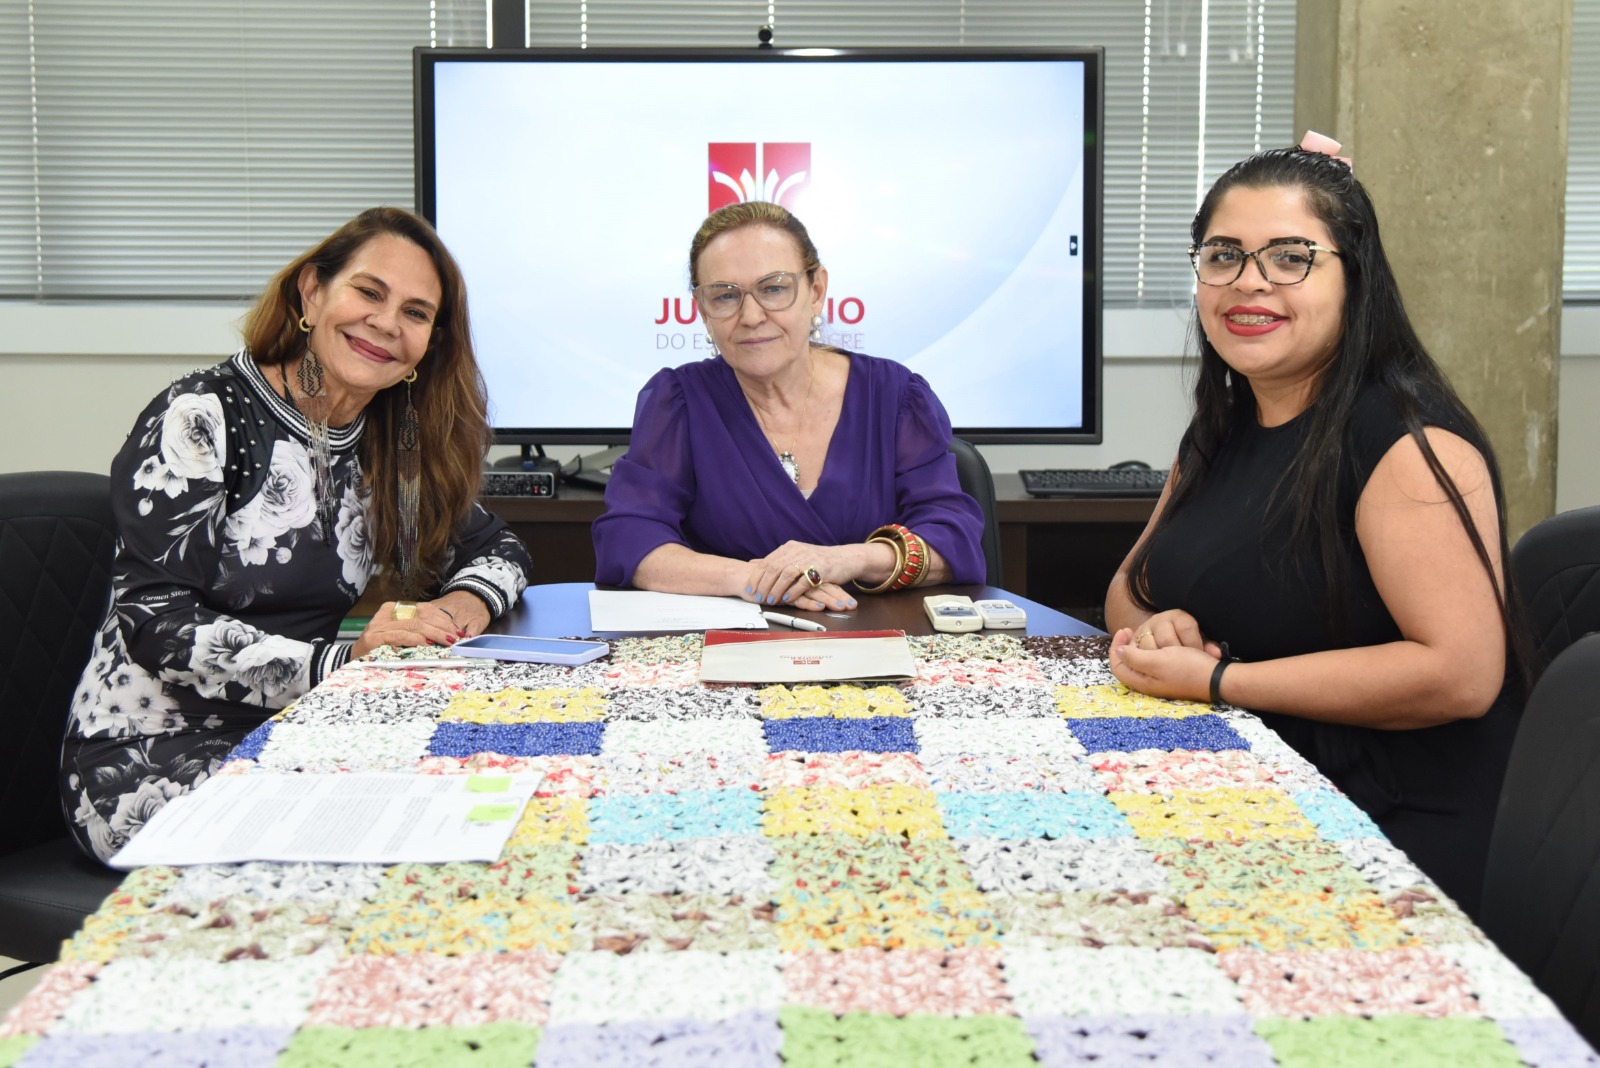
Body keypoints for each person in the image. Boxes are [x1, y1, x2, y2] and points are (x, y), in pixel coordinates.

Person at [1103, 133, 1533, 917]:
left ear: (1354, 279)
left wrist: (1222, 682)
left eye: (1291, 257)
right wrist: (1160, 625)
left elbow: (1462, 675)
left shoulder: (1408, 444)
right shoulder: (1223, 423)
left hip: (1394, 828)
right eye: (1223, 255)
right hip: (1255, 781)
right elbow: (1127, 591)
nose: (1248, 283)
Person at [62, 206, 534, 863]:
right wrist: (339, 665)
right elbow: (156, 622)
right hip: (150, 752)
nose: (387, 323)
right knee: (402, 843)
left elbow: (499, 548)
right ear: (312, 292)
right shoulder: (202, 415)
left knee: (500, 793)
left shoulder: (385, 447)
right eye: (369, 292)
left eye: (417, 313)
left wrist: (455, 613)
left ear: (430, 345)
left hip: (300, 733)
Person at [592, 201, 985, 610]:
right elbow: (629, 539)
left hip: (885, 644)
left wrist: (844, 560)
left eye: (774, 288)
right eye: (725, 296)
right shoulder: (680, 403)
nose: (750, 315)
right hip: (728, 652)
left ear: (816, 292)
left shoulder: (895, 397)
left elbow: (951, 540)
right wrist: (756, 580)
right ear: (703, 312)